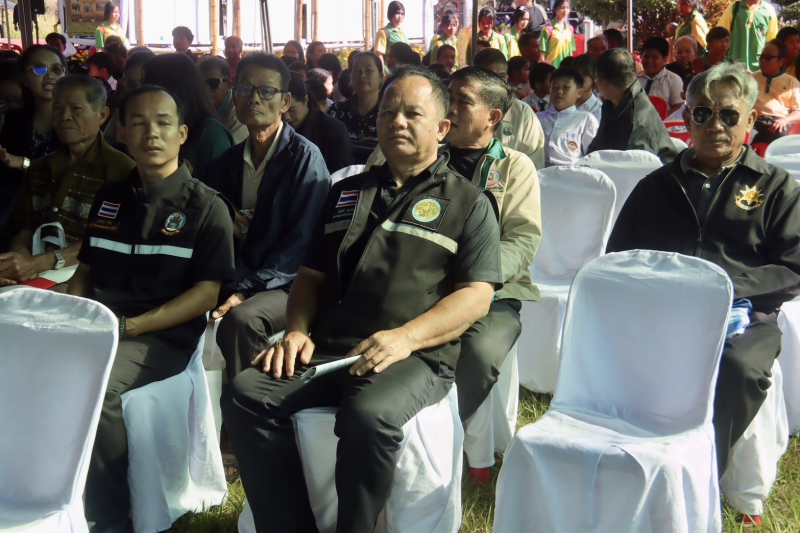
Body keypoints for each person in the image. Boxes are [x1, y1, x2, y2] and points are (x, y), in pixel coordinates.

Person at [221, 66, 502, 533]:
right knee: (247, 395)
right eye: (388, 113)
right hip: (329, 347)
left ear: (442, 128)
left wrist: (405, 338)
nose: (397, 122)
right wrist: (296, 331)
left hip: (412, 356)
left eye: (412, 114)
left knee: (368, 415)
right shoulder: (345, 192)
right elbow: (309, 277)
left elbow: (476, 297)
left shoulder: (469, 203)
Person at [606, 62, 800, 528]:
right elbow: (618, 256)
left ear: (749, 120)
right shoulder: (657, 185)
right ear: (687, 118)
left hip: (742, 314)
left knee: (739, 367)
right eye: (702, 113)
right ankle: (626, 468)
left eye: (729, 115)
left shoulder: (776, 187)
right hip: (662, 310)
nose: (715, 125)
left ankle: (700, 477)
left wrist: (726, 287)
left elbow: (793, 266)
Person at [69, 85, 235, 533]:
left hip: (162, 338)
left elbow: (206, 294)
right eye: (138, 123)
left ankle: (108, 517)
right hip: (101, 328)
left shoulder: (206, 207)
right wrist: (72, 316)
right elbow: (85, 270)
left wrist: (133, 326)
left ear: (183, 133)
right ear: (122, 132)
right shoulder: (110, 197)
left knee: (99, 390)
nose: (151, 133)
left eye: (163, 123)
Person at [204, 54, 330, 382]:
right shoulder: (226, 163)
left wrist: (246, 289)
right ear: (234, 94)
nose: (254, 99)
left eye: (267, 91)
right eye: (245, 88)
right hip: (239, 271)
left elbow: (300, 246)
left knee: (242, 319)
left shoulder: (306, 160)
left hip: (290, 281)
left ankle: (249, 402)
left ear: (285, 101)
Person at [444, 66, 540, 450]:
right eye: (447, 98)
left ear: (493, 117)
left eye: (462, 102)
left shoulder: (513, 165)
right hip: (424, 282)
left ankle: (446, 434)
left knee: (480, 350)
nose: (449, 108)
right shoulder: (428, 156)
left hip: (494, 293)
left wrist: (474, 277)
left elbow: (523, 237)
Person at [0, 76, 134, 287]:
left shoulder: (122, 170)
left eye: (76, 108)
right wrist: (19, 261)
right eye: (57, 108)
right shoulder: (38, 169)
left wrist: (39, 263)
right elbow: (24, 228)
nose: (65, 117)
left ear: (102, 115)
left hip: (87, 278)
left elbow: (109, 239)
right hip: (35, 275)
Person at [0, 45, 65, 245]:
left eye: (56, 69)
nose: (49, 76)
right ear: (24, 79)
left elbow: (70, 167)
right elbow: (6, 171)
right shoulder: (15, 118)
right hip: (20, 205)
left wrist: (24, 163)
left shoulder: (74, 117)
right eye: (39, 68)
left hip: (63, 202)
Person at [143, 53, 234, 182]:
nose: (141, 94)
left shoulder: (211, 134)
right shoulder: (155, 130)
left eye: (147, 86)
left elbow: (220, 190)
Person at [589, 48, 678, 164]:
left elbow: (636, 168)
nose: (595, 81)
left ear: (606, 83)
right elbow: (596, 148)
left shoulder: (637, 121)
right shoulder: (612, 103)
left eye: (596, 77)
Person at [474, 48, 545, 169]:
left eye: (501, 76)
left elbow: (534, 163)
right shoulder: (463, 109)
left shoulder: (522, 112)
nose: (497, 82)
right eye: (490, 76)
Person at [283, 72, 354, 173]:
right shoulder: (276, 127)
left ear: (306, 99)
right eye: (281, 110)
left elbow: (342, 172)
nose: (286, 116)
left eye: (292, 109)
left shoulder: (333, 129)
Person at [328, 52, 383, 165]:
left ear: (381, 76)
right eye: (356, 71)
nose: (362, 75)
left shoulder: (390, 113)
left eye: (368, 70)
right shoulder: (336, 111)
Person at [536, 67, 598, 166]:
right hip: (540, 171)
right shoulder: (537, 118)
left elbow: (592, 156)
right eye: (554, 87)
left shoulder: (585, 119)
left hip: (572, 171)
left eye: (566, 87)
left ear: (579, 92)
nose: (559, 91)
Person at [750, 40, 800, 145]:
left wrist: (785, 120)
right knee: (740, 142)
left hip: (778, 123)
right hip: (754, 121)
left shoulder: (792, 82)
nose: (763, 60)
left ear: (781, 61)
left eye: (768, 58)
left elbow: (798, 111)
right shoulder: (751, 78)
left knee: (783, 143)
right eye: (761, 57)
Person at [103, 48, 155, 147]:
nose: (137, 89)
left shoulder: (168, 114)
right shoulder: (120, 114)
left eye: (144, 83)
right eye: (131, 83)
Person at [717, 0, 778, 73]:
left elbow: (772, 44)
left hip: (758, 70)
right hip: (733, 69)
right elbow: (719, 36)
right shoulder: (734, 7)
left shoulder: (769, 10)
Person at [199, 56, 247, 144]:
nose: (206, 89)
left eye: (213, 83)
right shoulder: (199, 106)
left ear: (229, 85)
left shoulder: (238, 112)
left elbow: (230, 148)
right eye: (201, 84)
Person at [638, 37, 684, 115]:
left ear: (664, 59)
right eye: (646, 56)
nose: (649, 61)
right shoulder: (635, 80)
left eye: (654, 58)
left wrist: (659, 119)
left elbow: (679, 107)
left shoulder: (673, 80)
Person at [375, 1, 409, 74]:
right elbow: (379, 55)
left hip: (404, 73)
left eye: (402, 14)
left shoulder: (402, 33)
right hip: (391, 74)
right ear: (391, 13)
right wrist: (384, 73)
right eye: (397, 13)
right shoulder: (383, 32)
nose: (400, 16)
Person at [539, 0, 575, 68]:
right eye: (562, 8)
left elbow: (570, 52)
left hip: (565, 68)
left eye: (567, 8)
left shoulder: (570, 29)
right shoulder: (547, 28)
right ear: (555, 9)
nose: (565, 10)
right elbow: (542, 52)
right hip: (551, 68)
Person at [573, 53, 602, 121]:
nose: (580, 78)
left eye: (585, 74)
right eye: (577, 74)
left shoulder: (599, 110)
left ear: (595, 77)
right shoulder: (563, 103)